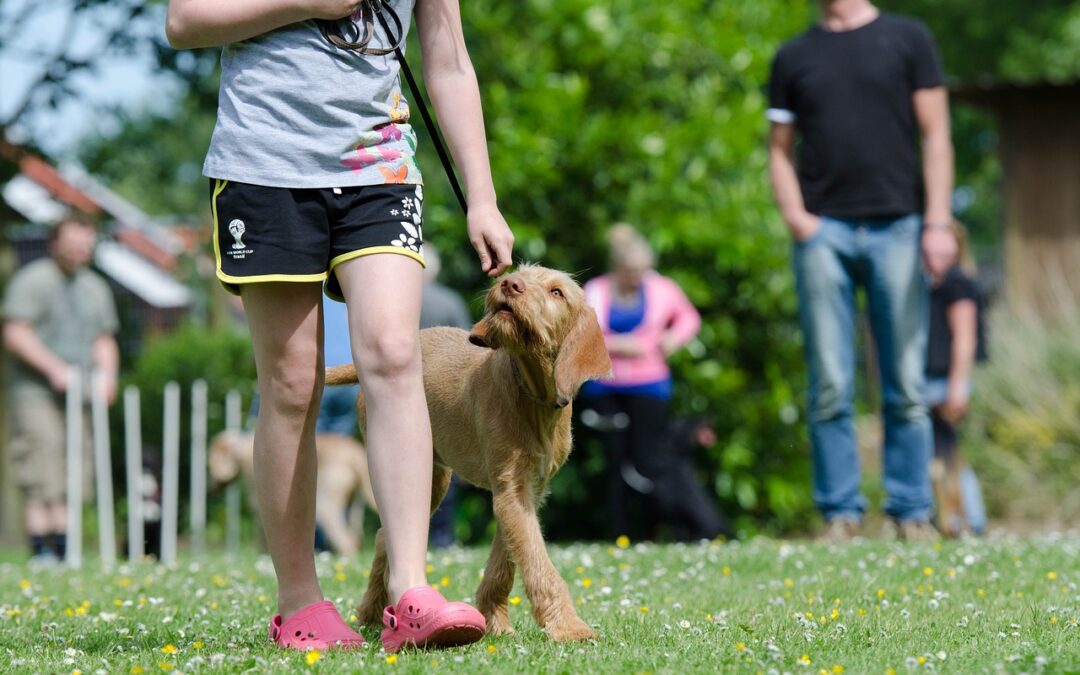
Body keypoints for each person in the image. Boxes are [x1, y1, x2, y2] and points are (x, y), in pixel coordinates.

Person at [166, 0, 514, 653]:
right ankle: (300, 601)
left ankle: (409, 590)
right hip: (264, 165)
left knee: (392, 353)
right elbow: (184, 21)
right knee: (294, 382)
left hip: (378, 168)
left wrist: (483, 195)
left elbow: (448, 57)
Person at [767, 0, 954, 541]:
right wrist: (798, 219)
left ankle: (912, 511)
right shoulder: (793, 56)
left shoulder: (910, 39)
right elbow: (779, 150)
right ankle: (840, 514)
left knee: (905, 381)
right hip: (824, 234)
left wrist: (938, 222)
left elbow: (937, 133)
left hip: (899, 226)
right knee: (829, 380)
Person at [2, 214, 120, 562]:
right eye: (72, 243)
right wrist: (54, 368)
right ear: (55, 243)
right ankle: (42, 550)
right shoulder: (32, 280)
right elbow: (15, 332)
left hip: (79, 394)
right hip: (34, 393)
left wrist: (108, 377)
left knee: (75, 469)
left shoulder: (95, 287)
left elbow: (103, 339)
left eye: (85, 244)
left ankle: (67, 550)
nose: (79, 249)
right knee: (42, 466)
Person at [581, 223, 701, 540]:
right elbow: (580, 333)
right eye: (631, 271)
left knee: (649, 462)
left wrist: (672, 339)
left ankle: (655, 531)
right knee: (615, 463)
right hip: (605, 387)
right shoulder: (595, 290)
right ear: (617, 267)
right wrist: (620, 345)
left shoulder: (662, 288)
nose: (637, 277)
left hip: (650, 386)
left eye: (642, 270)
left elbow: (690, 318)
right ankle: (620, 533)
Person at [922, 220, 987, 536]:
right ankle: (953, 520)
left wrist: (957, 385)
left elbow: (965, 338)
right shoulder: (935, 284)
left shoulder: (956, 283)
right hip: (933, 380)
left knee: (948, 457)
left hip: (943, 382)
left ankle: (968, 521)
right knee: (940, 456)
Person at [418, 244, 473, 549]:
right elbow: (469, 346)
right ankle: (442, 536)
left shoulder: (396, 298)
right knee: (445, 465)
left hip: (409, 388)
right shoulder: (450, 300)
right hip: (446, 392)